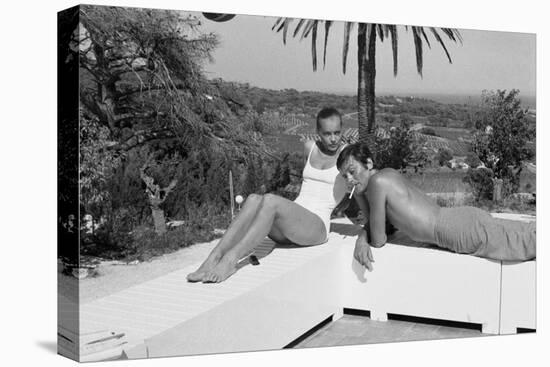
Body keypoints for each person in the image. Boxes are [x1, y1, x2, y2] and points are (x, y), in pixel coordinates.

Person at [187, 107, 347, 283]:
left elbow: (360, 183)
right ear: (318, 132)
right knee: (253, 198)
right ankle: (214, 258)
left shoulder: (348, 154)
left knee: (270, 200)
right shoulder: (310, 148)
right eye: (327, 133)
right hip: (290, 226)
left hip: (316, 227)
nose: (333, 139)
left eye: (337, 133)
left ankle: (230, 260)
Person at [336, 143, 536, 271]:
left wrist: (362, 238)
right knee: (524, 234)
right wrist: (361, 199)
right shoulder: (386, 175)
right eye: (345, 176)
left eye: (352, 171)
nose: (350, 179)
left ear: (369, 163)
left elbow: (378, 239)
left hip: (453, 229)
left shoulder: (377, 183)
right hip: (459, 220)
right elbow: (386, 227)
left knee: (527, 243)